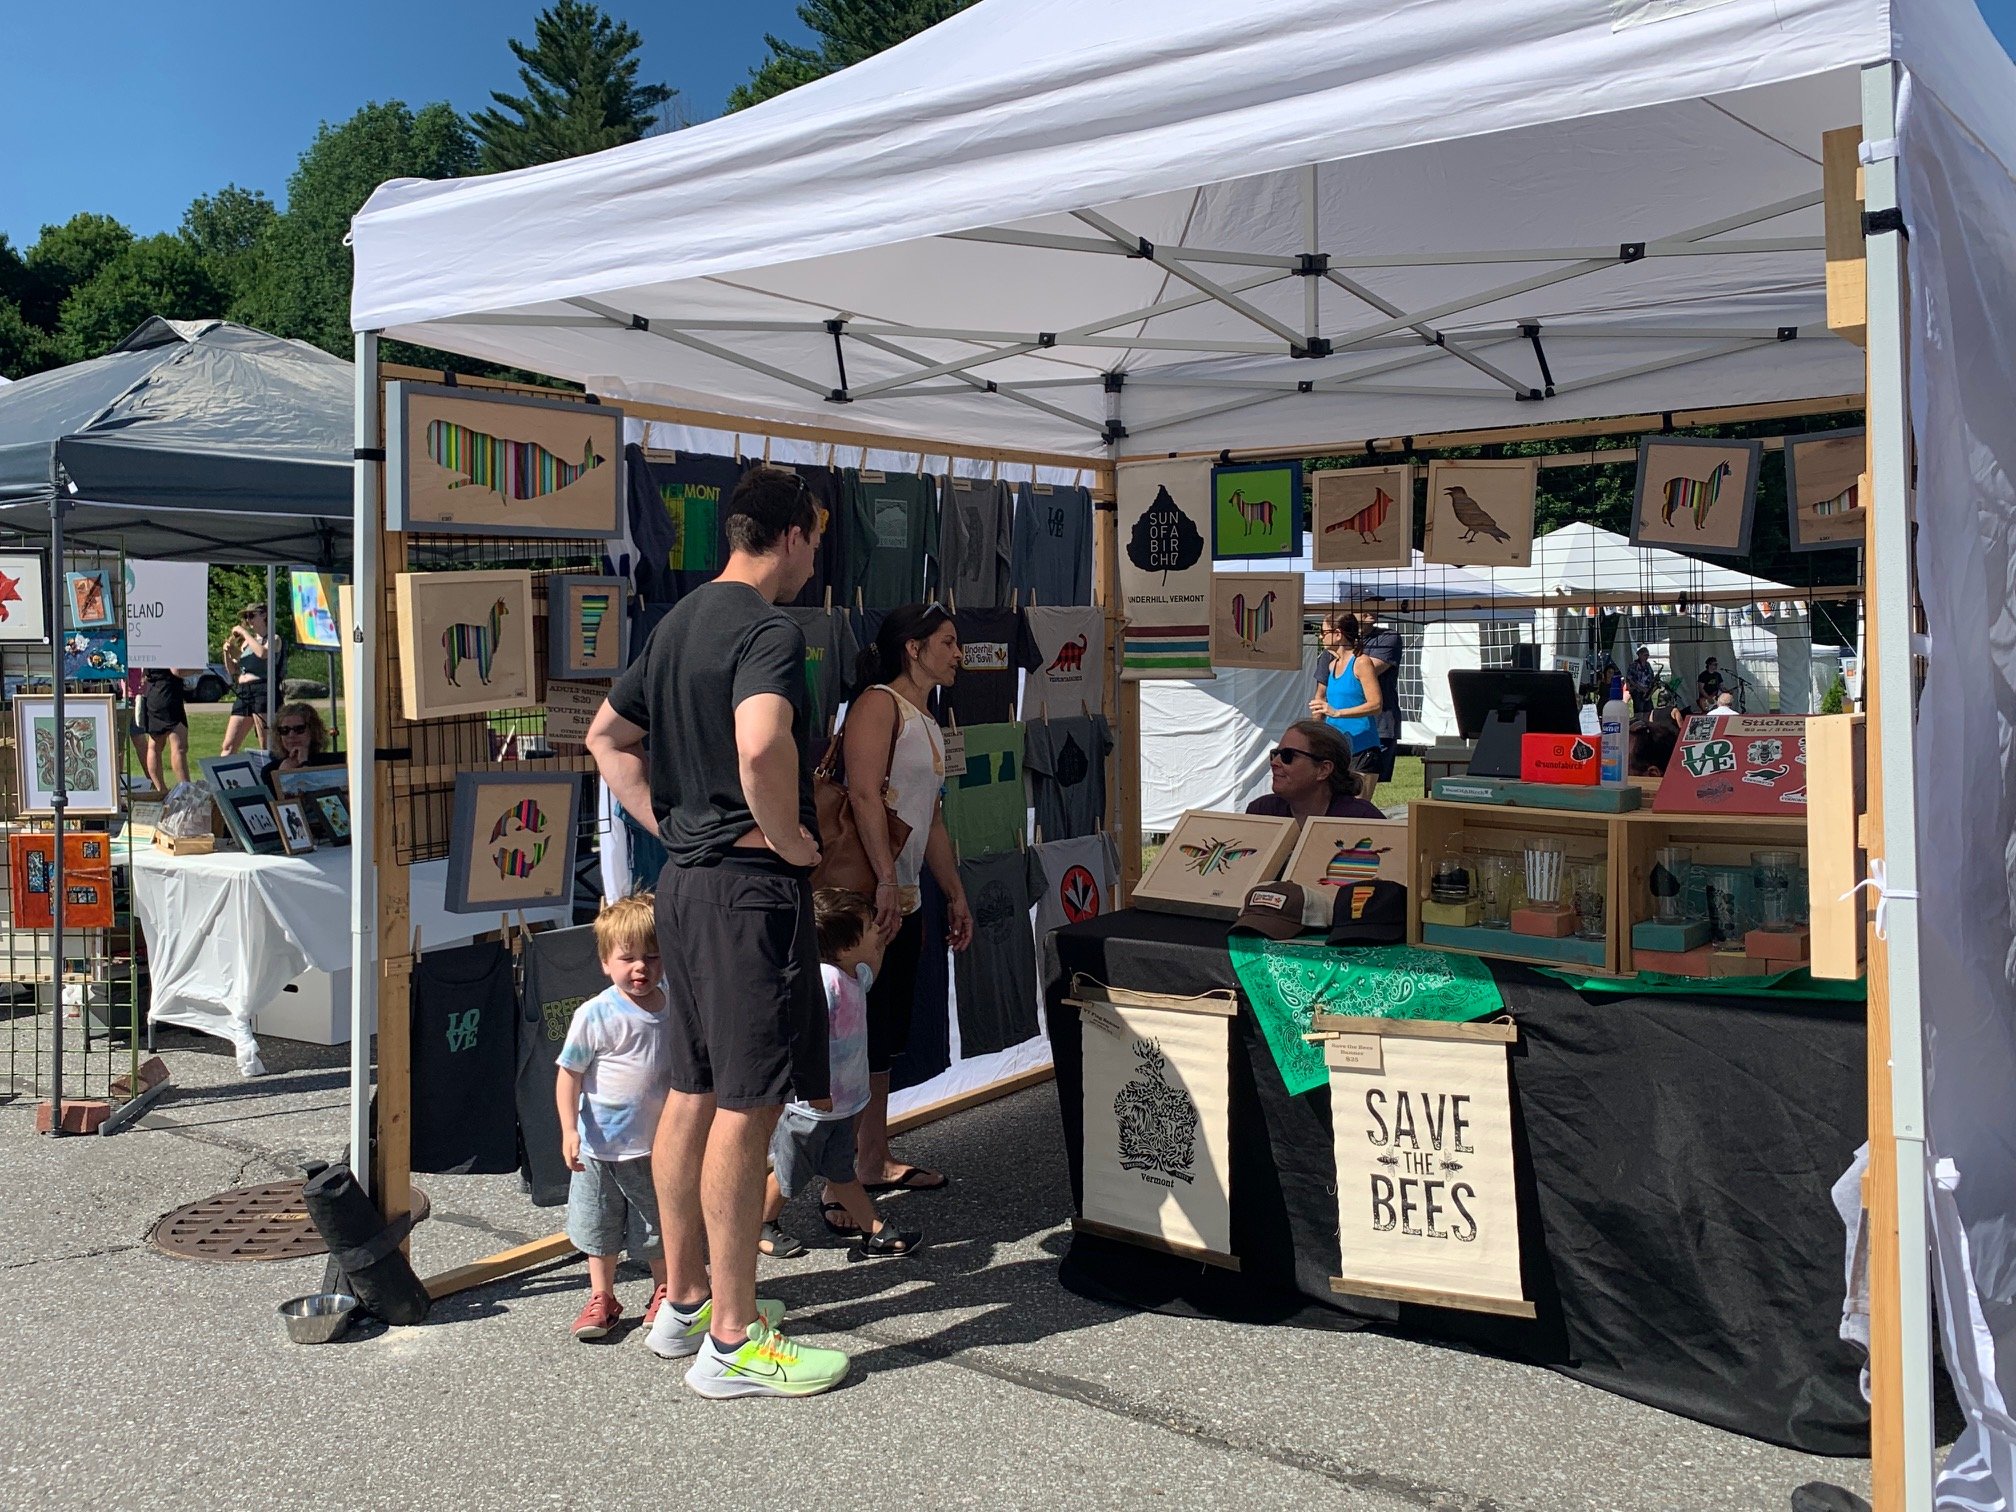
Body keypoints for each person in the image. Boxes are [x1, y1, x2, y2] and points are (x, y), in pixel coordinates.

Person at [586, 464, 848, 1398]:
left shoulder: (678, 622)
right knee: (747, 1100)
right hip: (746, 891)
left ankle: (684, 1303)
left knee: (692, 1089)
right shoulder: (770, 628)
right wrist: (790, 840)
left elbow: (606, 738)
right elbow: (761, 741)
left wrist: (668, 826)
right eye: (815, 537)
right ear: (793, 534)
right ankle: (733, 1343)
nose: (817, 556)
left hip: (689, 886)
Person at [826, 602, 973, 1224]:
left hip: (904, 894)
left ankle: (871, 1157)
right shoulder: (878, 703)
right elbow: (861, 791)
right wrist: (886, 878)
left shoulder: (930, 719)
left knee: (882, 1034)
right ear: (912, 648)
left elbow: (931, 816)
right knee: (845, 1036)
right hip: (861, 899)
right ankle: (831, 1181)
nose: (959, 653)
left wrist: (955, 891)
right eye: (947, 641)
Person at [760, 890, 923, 1260]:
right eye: (868, 928)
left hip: (844, 1103)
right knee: (788, 1174)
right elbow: (802, 1037)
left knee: (840, 1171)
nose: (875, 932)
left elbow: (870, 972)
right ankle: (761, 1223)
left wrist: (880, 943)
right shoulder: (826, 982)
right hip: (814, 1107)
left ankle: (875, 1232)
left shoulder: (850, 974)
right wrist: (809, 1087)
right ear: (846, 946)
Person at [555, 895, 672, 1341]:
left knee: (656, 1225)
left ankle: (665, 1290)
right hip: (599, 1149)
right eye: (627, 959)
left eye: (652, 957)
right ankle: (602, 1296)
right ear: (606, 963)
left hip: (654, 1145)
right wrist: (568, 1129)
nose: (640, 967)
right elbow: (569, 1075)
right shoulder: (595, 1014)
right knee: (599, 1226)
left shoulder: (673, 1006)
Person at [1247, 721, 1385, 821]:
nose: (1274, 762)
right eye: (1275, 753)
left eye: (1287, 756)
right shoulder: (1261, 813)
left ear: (1323, 769)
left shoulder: (1361, 820)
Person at [1309, 611, 1385, 770]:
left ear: (1338, 634)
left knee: (1356, 796)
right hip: (1337, 749)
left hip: (1362, 749)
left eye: (1323, 632)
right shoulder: (1332, 665)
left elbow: (1376, 705)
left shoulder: (1361, 662)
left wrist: (1337, 712)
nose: (1321, 637)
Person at [220, 603, 285, 755]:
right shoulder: (246, 644)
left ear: (264, 615)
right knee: (228, 745)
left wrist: (243, 632)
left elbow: (262, 653)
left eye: (251, 616)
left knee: (266, 742)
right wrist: (227, 652)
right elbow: (233, 670)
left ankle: (267, 775)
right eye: (246, 617)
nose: (248, 620)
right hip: (244, 691)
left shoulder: (273, 638)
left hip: (262, 689)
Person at [1352, 608, 1404, 786]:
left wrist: (1340, 659)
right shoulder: (1336, 642)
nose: (1372, 610)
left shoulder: (1389, 637)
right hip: (1344, 728)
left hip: (1380, 724)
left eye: (1376, 605)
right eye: (1364, 606)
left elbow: (1366, 671)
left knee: (1364, 789)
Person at [137, 667, 196, 792]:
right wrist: (197, 669)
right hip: (168, 693)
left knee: (155, 745)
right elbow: (177, 670)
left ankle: (160, 789)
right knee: (179, 746)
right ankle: (186, 790)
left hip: (153, 693)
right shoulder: (168, 647)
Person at [270, 701, 339, 771]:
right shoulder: (270, 770)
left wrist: (304, 763)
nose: (291, 735)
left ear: (313, 731)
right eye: (285, 730)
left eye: (299, 729)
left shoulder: (332, 764)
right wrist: (282, 771)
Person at [1624, 647, 1658, 716]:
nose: (1647, 657)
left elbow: (1651, 676)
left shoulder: (1647, 665)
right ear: (1640, 655)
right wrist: (1641, 688)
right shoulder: (1633, 665)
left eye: (1648, 655)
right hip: (1637, 692)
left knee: (1649, 711)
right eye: (1645, 655)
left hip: (1647, 692)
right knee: (1639, 712)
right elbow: (1630, 679)